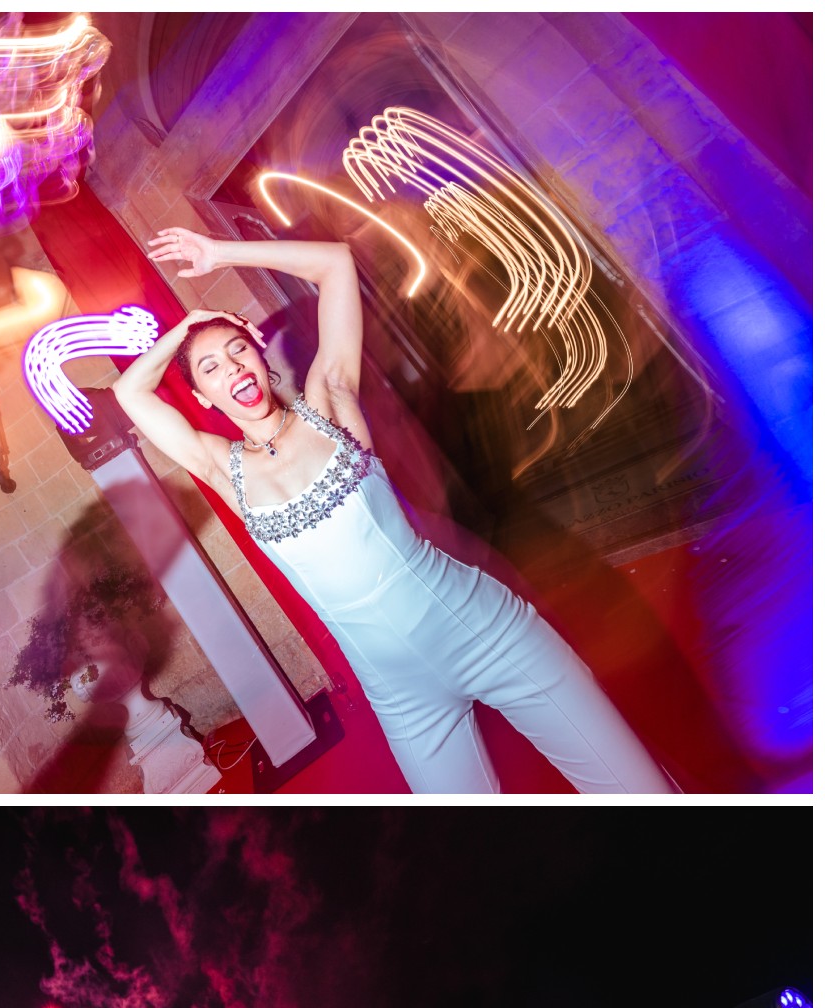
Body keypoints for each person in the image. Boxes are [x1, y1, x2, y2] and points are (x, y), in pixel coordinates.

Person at [112, 231, 668, 794]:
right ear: (202, 397)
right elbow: (131, 392)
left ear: (259, 355)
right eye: (210, 368)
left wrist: (220, 253)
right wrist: (188, 326)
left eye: (238, 350)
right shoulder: (220, 467)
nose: (232, 368)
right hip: (403, 695)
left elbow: (335, 263)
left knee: (634, 788)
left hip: (485, 631)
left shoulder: (328, 399)